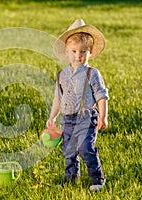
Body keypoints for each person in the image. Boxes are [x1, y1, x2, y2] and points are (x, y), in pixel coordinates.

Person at [47, 19, 109, 191]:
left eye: (83, 52)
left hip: (86, 118)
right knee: (69, 151)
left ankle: (98, 179)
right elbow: (58, 99)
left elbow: (102, 96)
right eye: (74, 51)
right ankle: (71, 179)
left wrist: (103, 116)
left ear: (90, 53)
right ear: (67, 51)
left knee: (85, 148)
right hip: (67, 119)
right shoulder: (62, 75)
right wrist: (52, 116)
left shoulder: (92, 73)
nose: (78, 56)